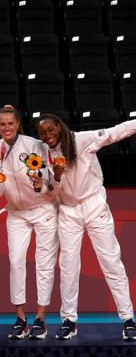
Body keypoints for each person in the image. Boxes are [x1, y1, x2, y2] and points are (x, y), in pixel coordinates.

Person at [36, 114, 136, 341]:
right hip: (68, 211)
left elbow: (115, 131)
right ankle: (69, 321)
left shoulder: (82, 139)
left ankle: (128, 319)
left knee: (111, 262)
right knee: (68, 266)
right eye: (43, 133)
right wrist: (57, 177)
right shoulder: (42, 153)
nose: (47, 136)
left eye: (51, 130)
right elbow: (51, 191)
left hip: (94, 206)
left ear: (59, 128)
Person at [0, 106, 58, 340]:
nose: (6, 128)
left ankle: (40, 318)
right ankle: (20, 317)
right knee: (16, 261)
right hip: (16, 213)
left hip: (43, 209)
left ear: (17, 124)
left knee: (43, 263)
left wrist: (41, 185)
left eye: (10, 123)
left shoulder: (35, 145)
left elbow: (50, 181)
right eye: (2, 124)